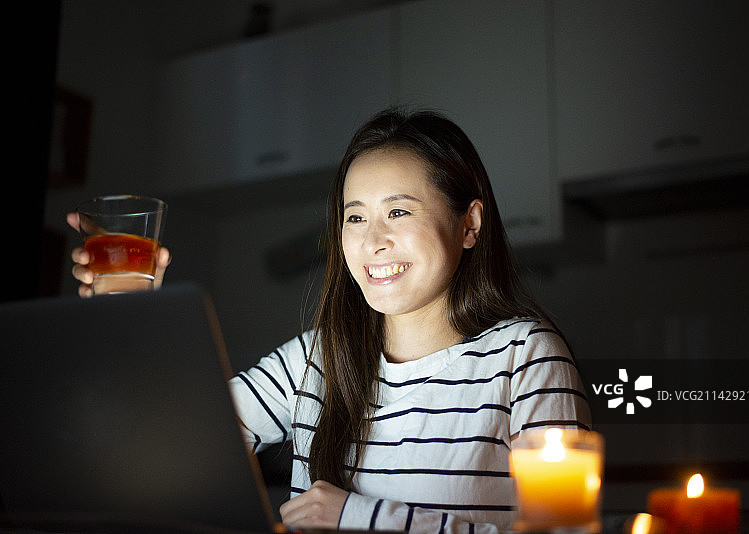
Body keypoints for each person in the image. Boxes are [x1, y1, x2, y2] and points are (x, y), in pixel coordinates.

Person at [68, 107, 591, 533]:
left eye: (399, 212)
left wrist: (356, 516)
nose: (371, 241)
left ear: (469, 224)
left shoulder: (527, 355)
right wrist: (134, 317)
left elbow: (562, 533)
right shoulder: (315, 357)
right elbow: (165, 446)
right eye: (355, 216)